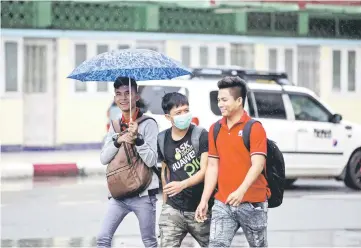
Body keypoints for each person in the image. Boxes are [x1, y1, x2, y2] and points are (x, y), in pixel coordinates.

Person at [195, 76, 270, 248]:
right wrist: (204, 200)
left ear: (239, 101)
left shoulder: (254, 128)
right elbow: (213, 167)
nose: (220, 104)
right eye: (218, 100)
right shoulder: (215, 128)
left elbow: (257, 165)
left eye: (224, 100)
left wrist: (241, 191)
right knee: (215, 245)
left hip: (253, 203)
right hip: (223, 202)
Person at [97, 77, 159, 248]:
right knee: (102, 238)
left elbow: (152, 160)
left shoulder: (149, 124)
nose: (123, 98)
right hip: (119, 194)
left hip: (144, 194)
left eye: (127, 93)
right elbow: (104, 159)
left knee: (149, 242)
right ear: (115, 98)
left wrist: (138, 139)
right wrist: (118, 141)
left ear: (136, 96)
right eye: (119, 94)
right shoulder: (115, 126)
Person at [157, 92, 212, 247]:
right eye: (178, 113)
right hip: (173, 209)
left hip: (200, 209)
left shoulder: (201, 135)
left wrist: (182, 184)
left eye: (186, 111)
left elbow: (205, 170)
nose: (184, 115)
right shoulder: (162, 139)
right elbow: (165, 172)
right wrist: (165, 204)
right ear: (168, 117)